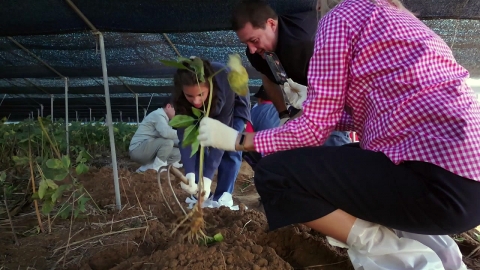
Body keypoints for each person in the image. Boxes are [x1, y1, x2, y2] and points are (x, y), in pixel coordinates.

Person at [197, 0, 480, 269]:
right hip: (464, 181)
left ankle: (408, 263)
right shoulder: (397, 15)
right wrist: (306, 105)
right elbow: (369, 112)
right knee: (352, 170)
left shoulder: (339, 19)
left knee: (277, 174)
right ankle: (445, 257)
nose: (252, 48)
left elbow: (313, 130)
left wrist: (239, 141)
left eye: (254, 40)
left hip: (436, 183)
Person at [231, 0, 352, 148]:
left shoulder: (304, 43)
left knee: (333, 146)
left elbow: (328, 102)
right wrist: (284, 115)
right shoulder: (257, 54)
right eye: (246, 43)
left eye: (254, 40)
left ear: (271, 24)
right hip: (311, 101)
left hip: (339, 99)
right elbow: (268, 77)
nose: (251, 49)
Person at [172, 57, 251, 202]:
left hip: (234, 107)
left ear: (210, 86)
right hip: (207, 111)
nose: (195, 101)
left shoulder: (223, 84)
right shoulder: (179, 96)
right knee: (199, 146)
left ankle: (222, 197)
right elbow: (185, 137)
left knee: (230, 150)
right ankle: (197, 192)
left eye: (201, 94)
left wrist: (208, 178)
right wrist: (189, 173)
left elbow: (222, 138)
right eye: (189, 96)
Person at [129, 101, 182, 173]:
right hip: (137, 150)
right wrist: (183, 134)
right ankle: (158, 169)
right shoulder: (158, 115)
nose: (177, 114)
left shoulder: (165, 120)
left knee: (178, 152)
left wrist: (184, 143)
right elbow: (166, 133)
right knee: (167, 143)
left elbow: (172, 137)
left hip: (147, 150)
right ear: (168, 106)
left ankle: (146, 168)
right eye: (176, 110)